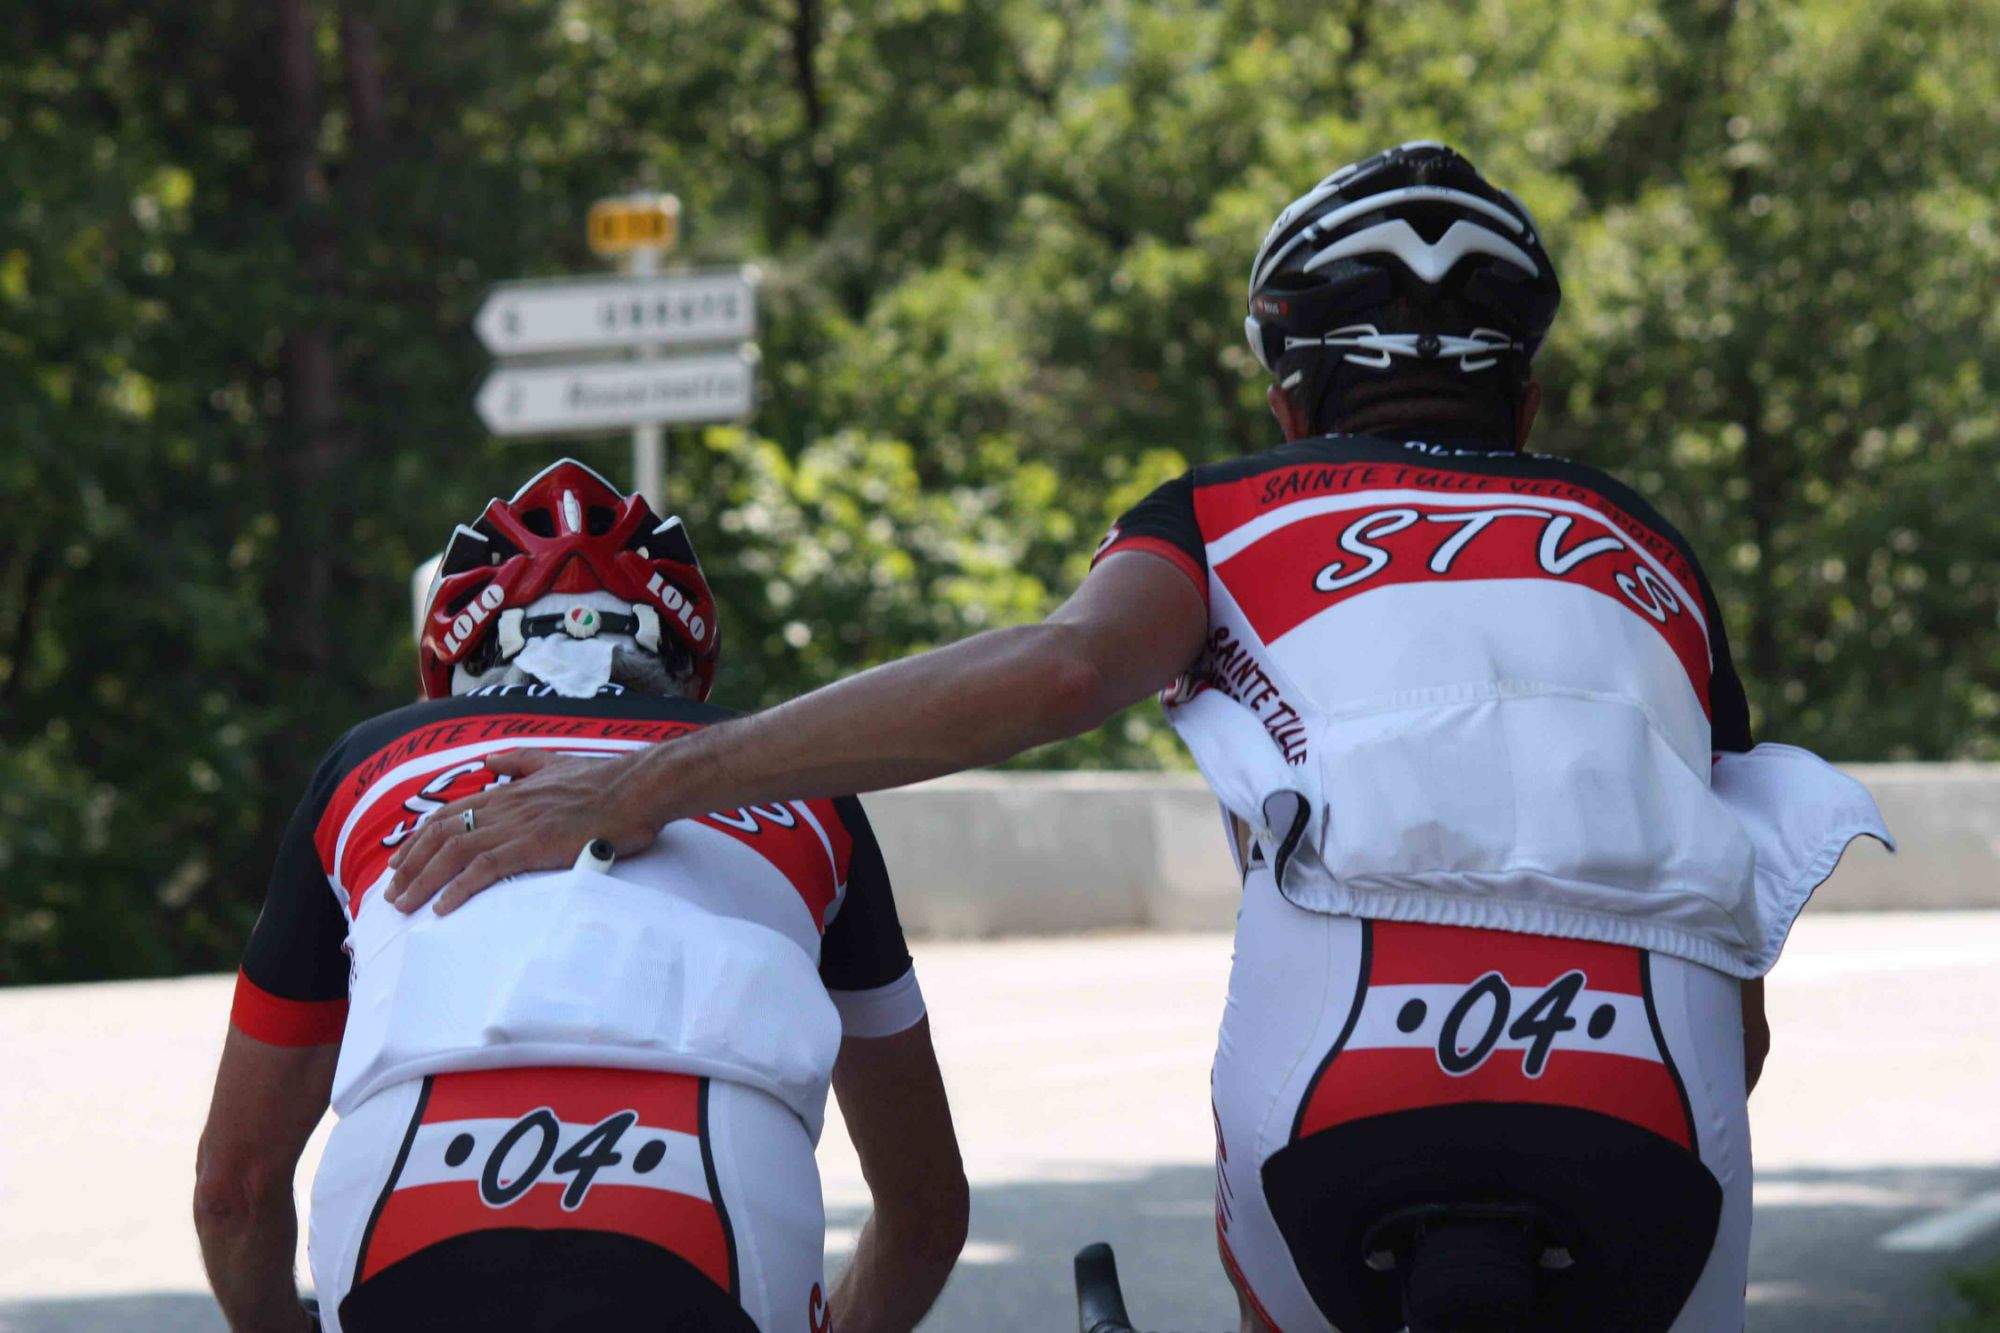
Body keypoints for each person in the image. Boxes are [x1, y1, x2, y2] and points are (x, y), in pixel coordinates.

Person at [383, 145, 1889, 1331]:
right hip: (1651, 1083)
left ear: (1289, 388)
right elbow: (1738, 965)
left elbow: (1058, 671)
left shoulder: (1229, 510)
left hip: (1343, 1084)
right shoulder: (1644, 545)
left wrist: (664, 776)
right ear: (1530, 392)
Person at [193, 460, 967, 1333]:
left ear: (457, 659)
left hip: (406, 1206)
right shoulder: (802, 781)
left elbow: (234, 1189)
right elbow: (925, 1210)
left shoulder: (365, 766)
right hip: (714, 1212)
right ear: (686, 663)